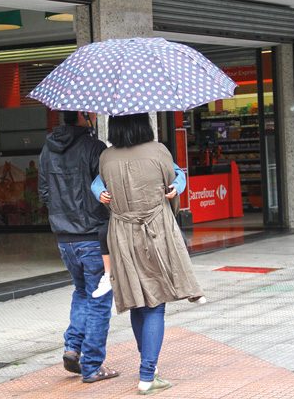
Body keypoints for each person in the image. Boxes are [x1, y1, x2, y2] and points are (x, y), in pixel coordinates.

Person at [98, 113, 205, 395]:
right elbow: (172, 185)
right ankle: (147, 376)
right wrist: (175, 191)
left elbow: (102, 191)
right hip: (155, 232)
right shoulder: (159, 151)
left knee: (138, 301)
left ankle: (151, 368)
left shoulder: (106, 157)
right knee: (156, 304)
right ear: (144, 124)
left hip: (121, 234)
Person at [38, 111, 120, 383]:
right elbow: (108, 189)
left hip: (64, 238)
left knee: (82, 292)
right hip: (92, 236)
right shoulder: (94, 148)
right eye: (93, 114)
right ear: (85, 116)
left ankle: (73, 348)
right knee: (99, 299)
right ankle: (93, 365)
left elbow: (44, 194)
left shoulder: (46, 150)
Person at [90, 164, 187, 298]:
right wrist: (99, 191)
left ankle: (184, 279)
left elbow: (177, 171)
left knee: (180, 239)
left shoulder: (154, 153)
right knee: (104, 234)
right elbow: (99, 179)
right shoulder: (115, 158)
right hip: (127, 214)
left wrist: (177, 186)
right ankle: (108, 275)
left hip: (153, 213)